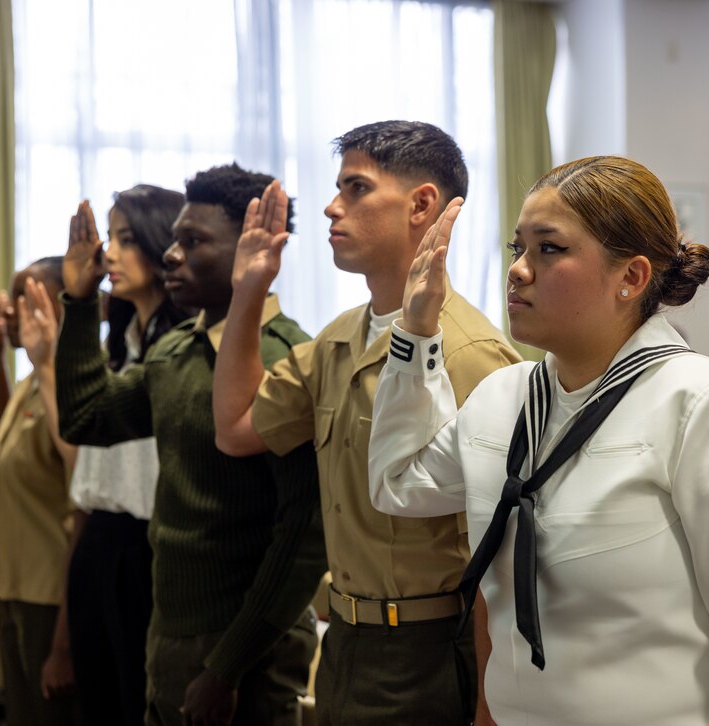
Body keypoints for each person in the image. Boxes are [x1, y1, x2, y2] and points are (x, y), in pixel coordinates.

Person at [367, 156, 709, 725]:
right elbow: (398, 484)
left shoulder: (706, 403)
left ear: (631, 278)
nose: (517, 270)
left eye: (549, 249)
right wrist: (415, 333)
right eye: (518, 249)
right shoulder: (502, 399)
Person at [213, 120, 520, 724]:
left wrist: (489, 703)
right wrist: (249, 292)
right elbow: (236, 428)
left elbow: (502, 551)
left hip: (429, 651)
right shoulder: (340, 339)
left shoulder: (470, 352)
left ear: (421, 204)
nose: (331, 207)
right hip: (347, 643)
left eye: (356, 188)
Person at [51, 164, 324, 726]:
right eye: (174, 239)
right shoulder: (175, 349)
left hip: (249, 650)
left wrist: (226, 667)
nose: (171, 254)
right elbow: (86, 417)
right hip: (169, 629)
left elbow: (302, 541)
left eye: (193, 241)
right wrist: (80, 304)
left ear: (251, 250)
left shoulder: (289, 359)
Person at [45, 185, 185, 725]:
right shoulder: (120, 340)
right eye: (111, 237)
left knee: (139, 700)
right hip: (101, 544)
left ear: (163, 244)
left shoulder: (186, 345)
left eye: (127, 239)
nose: (109, 254)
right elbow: (85, 433)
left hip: (150, 550)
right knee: (100, 704)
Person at [0, 256, 80, 726]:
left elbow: (80, 481)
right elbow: (2, 449)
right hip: (14, 586)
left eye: (29, 297)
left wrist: (63, 643)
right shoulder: (30, 382)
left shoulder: (68, 385)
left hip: (53, 598)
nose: (12, 310)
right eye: (13, 297)